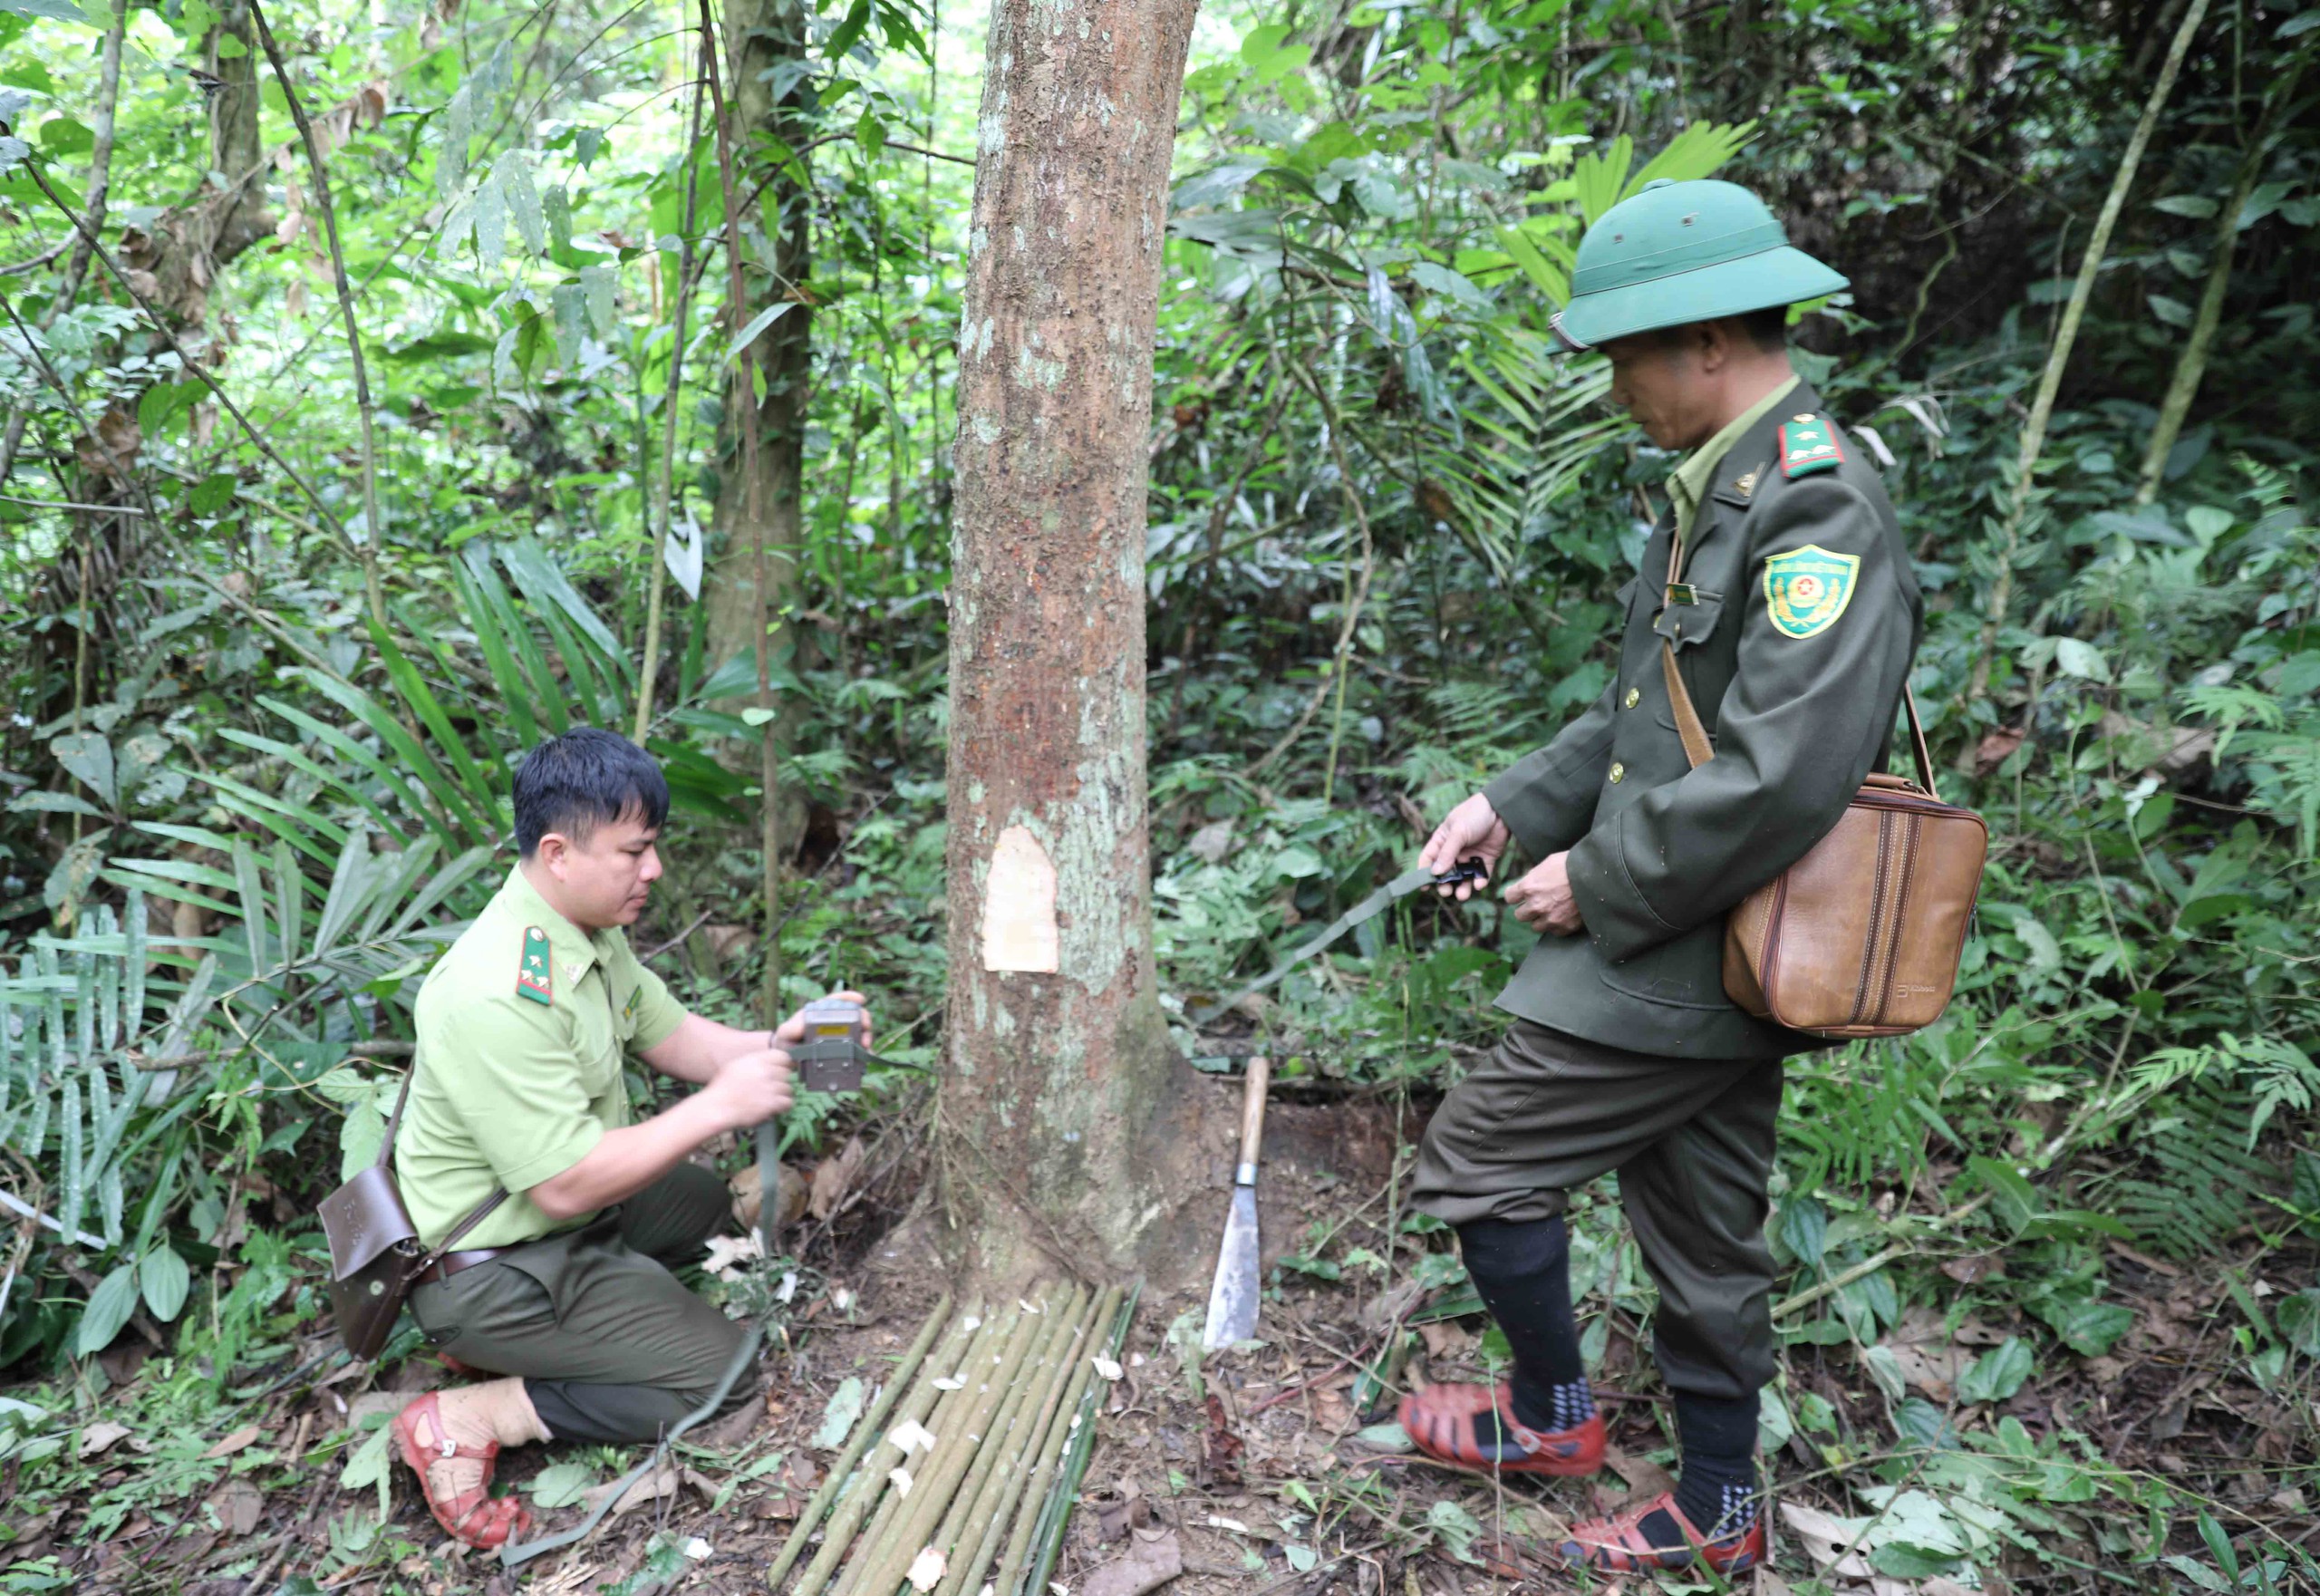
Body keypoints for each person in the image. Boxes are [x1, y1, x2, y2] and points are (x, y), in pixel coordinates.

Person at [1400, 177, 1923, 1574]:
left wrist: (1600, 883)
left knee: (1480, 1160)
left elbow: (1781, 772)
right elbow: (1647, 711)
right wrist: (1507, 807)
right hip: (1697, 931)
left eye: (1627, 356)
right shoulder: (1726, 486)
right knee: (1702, 1224)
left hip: (1689, 948)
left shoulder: (1819, 509)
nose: (1616, 386)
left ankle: (1553, 1415)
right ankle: (1721, 1505)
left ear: (1704, 342)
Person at [388, 726, 871, 1548]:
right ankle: (477, 1409)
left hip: (555, 1217)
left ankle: (588, 1323)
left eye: (652, 847)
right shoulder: (492, 992)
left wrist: (783, 1042)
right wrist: (720, 1105)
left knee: (699, 1201)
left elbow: (677, 1036)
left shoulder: (581, 933)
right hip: (491, 1266)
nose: (653, 870)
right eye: (634, 851)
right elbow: (565, 1183)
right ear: (558, 851)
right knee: (725, 1379)